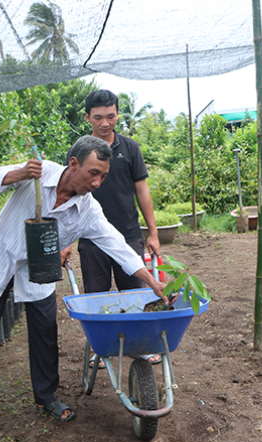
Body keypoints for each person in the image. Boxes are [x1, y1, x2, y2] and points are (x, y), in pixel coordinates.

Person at [0, 135, 170, 425]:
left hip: (40, 268)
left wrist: (150, 280)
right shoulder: (39, 173)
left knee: (45, 330)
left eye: (103, 176)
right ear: (73, 164)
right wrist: (20, 173)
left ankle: (46, 396)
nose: (97, 183)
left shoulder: (89, 210)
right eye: (93, 173)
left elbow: (118, 245)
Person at [72, 89, 162, 368]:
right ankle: (99, 349)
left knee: (135, 294)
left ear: (117, 115)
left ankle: (141, 347)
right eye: (98, 117)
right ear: (87, 117)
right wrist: (66, 239)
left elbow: (142, 191)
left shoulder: (130, 148)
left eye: (110, 116)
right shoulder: (79, 151)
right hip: (91, 240)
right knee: (96, 298)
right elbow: (69, 193)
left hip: (128, 234)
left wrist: (153, 233)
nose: (105, 123)